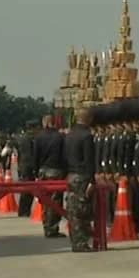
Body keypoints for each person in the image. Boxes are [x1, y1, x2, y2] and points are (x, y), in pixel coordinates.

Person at [63, 107, 97, 252]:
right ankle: (81, 242)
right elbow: (89, 160)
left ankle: (75, 240)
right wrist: (92, 181)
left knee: (72, 210)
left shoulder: (69, 135)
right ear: (89, 119)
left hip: (71, 174)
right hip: (82, 176)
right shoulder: (86, 136)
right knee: (82, 210)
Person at [34, 111, 68, 239]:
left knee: (44, 200)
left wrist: (36, 172)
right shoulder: (60, 137)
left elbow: (35, 156)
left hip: (43, 170)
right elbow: (64, 156)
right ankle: (53, 227)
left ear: (44, 123)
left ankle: (46, 225)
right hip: (56, 170)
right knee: (55, 201)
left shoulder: (38, 137)